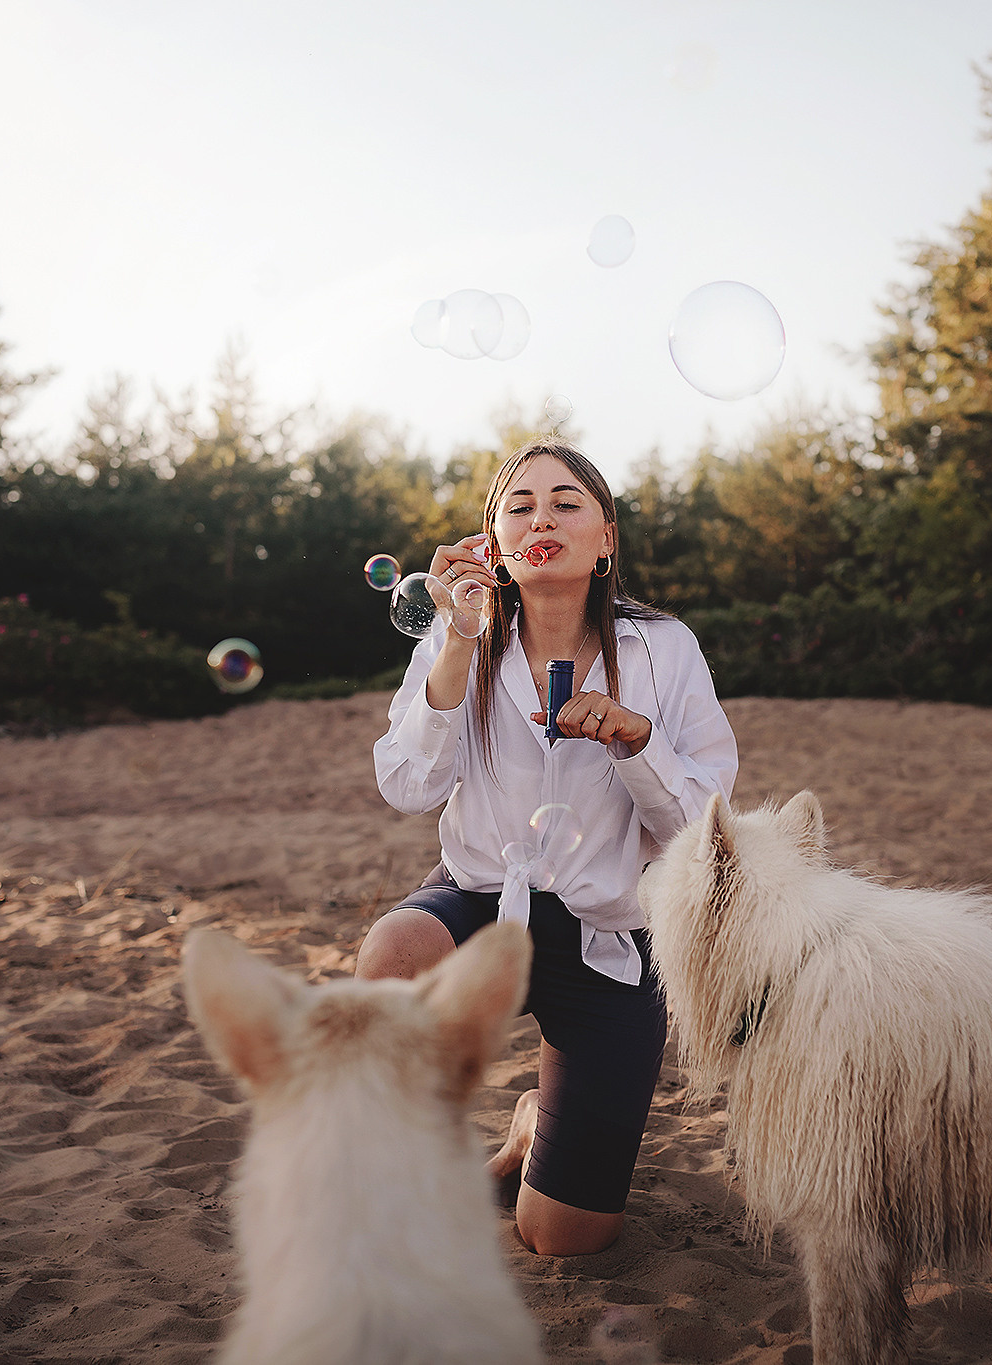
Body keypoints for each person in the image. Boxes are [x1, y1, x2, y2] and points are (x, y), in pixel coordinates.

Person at [363, 437, 738, 1257]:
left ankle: (536, 1123)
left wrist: (640, 745)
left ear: (606, 539)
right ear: (493, 544)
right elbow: (406, 786)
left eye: (567, 503)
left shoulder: (663, 647)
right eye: (520, 505)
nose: (543, 517)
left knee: (563, 1237)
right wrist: (457, 641)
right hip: (478, 903)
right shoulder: (459, 634)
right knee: (391, 948)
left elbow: (702, 832)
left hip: (607, 934)